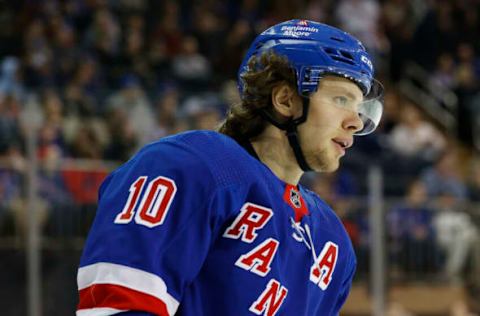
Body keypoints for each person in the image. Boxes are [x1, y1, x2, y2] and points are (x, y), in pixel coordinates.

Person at [76, 19, 383, 316]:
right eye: (341, 99)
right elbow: (120, 304)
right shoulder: (192, 165)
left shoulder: (334, 242)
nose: (355, 122)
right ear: (286, 99)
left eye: (360, 108)